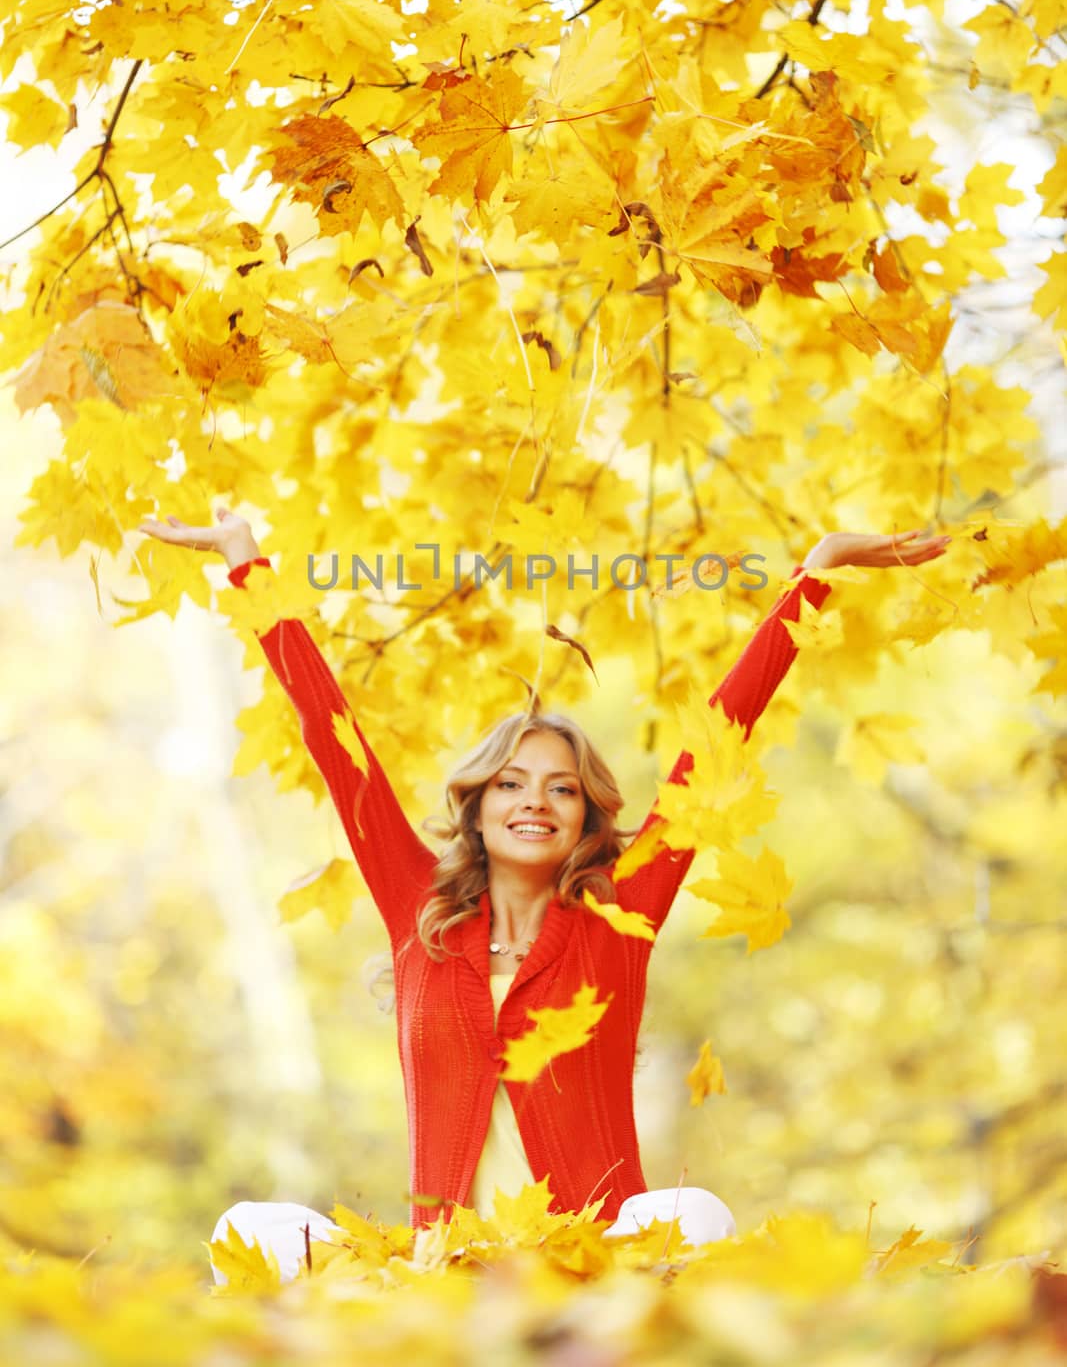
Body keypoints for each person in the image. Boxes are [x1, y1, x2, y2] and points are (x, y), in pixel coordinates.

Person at [138, 507, 951, 1281]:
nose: (534, 801)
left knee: (695, 1215)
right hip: (441, 1265)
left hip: (597, 1258)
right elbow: (333, 735)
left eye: (561, 789)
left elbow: (716, 739)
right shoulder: (416, 908)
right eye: (511, 782)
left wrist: (815, 574)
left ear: (587, 815)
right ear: (478, 803)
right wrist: (246, 560)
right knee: (241, 1231)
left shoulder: (617, 917)